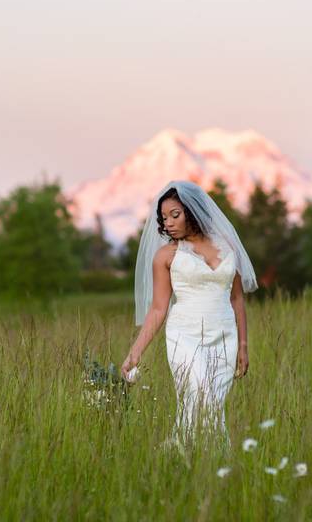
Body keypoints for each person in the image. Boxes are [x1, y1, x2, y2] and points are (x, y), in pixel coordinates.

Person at [120, 180, 258, 453]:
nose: (168, 223)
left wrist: (243, 346)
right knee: (198, 395)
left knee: (213, 406)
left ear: (192, 211)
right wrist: (135, 353)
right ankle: (197, 458)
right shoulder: (165, 256)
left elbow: (237, 299)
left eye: (175, 214)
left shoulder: (228, 245)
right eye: (163, 218)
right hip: (184, 336)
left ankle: (201, 462)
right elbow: (159, 308)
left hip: (225, 337)